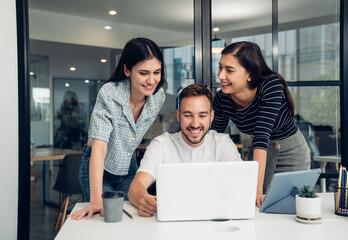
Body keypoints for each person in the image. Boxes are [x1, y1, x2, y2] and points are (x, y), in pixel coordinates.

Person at [68, 38, 166, 220]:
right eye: (144, 73)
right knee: (104, 220)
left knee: (134, 218)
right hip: (100, 168)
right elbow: (99, 146)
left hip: (128, 167)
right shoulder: (110, 94)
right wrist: (96, 200)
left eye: (157, 72)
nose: (151, 80)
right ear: (127, 70)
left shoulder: (157, 97)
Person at [211, 41, 310, 207]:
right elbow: (215, 138)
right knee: (257, 209)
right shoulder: (222, 99)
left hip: (290, 152)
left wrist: (256, 189)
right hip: (259, 154)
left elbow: (261, 135)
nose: (221, 75)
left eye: (229, 70)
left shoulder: (271, 86)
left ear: (249, 73)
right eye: (220, 68)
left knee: (290, 208)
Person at [127, 84, 242, 217]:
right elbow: (136, 186)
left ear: (211, 116)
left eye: (202, 116)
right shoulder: (162, 144)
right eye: (188, 115)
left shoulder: (223, 144)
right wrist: (143, 200)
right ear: (178, 115)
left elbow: (240, 185)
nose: (195, 124)